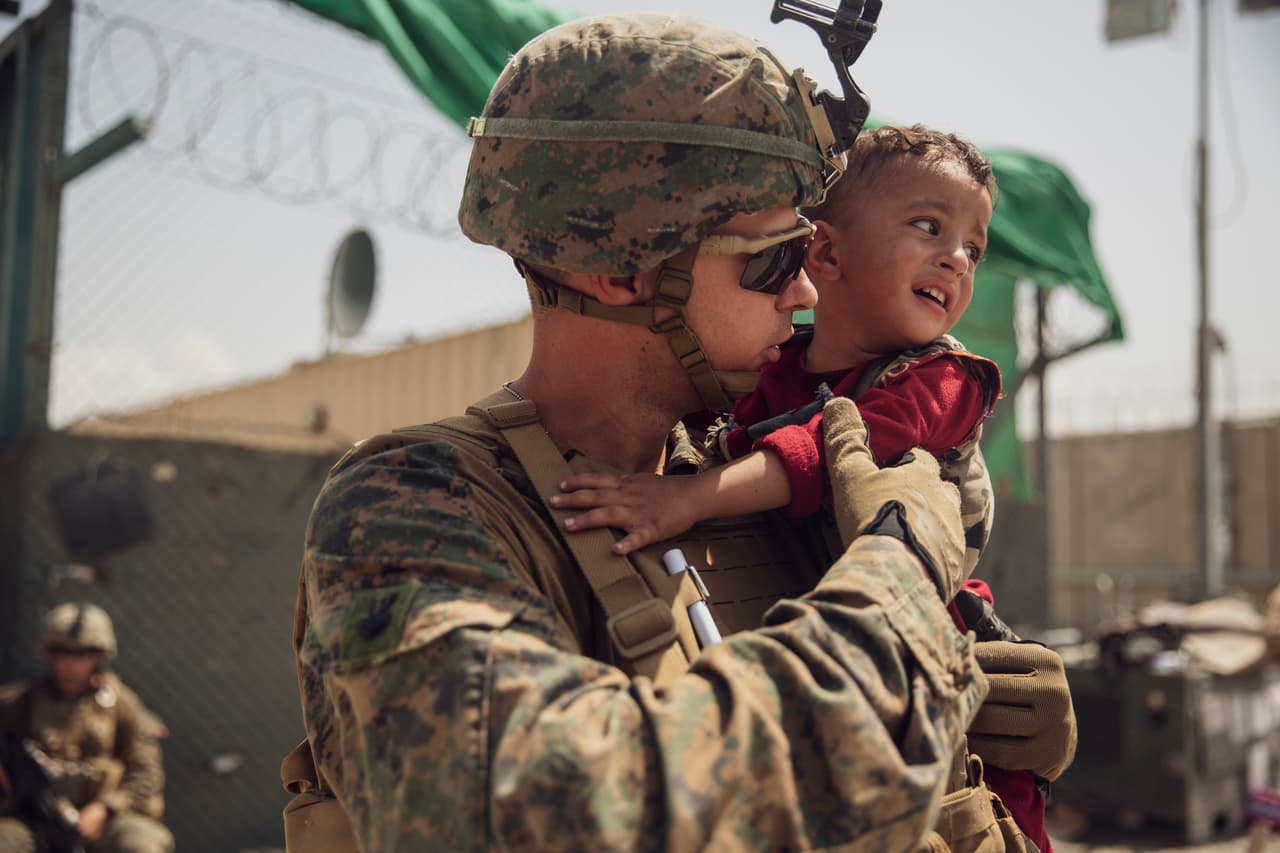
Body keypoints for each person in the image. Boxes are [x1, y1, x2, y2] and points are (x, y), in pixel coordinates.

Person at [284, 14, 1071, 851]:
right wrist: (901, 576)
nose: (804, 293)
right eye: (773, 260)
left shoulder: (751, 473)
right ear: (621, 270)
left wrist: (967, 721)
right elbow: (553, 813)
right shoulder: (413, 508)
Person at [0, 603, 173, 853]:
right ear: (49, 653)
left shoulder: (122, 705)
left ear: (100, 654)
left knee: (139, 843)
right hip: (34, 819)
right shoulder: (24, 700)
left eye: (83, 653)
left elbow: (146, 773)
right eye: (62, 652)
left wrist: (105, 809)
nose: (71, 662)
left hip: (105, 820)